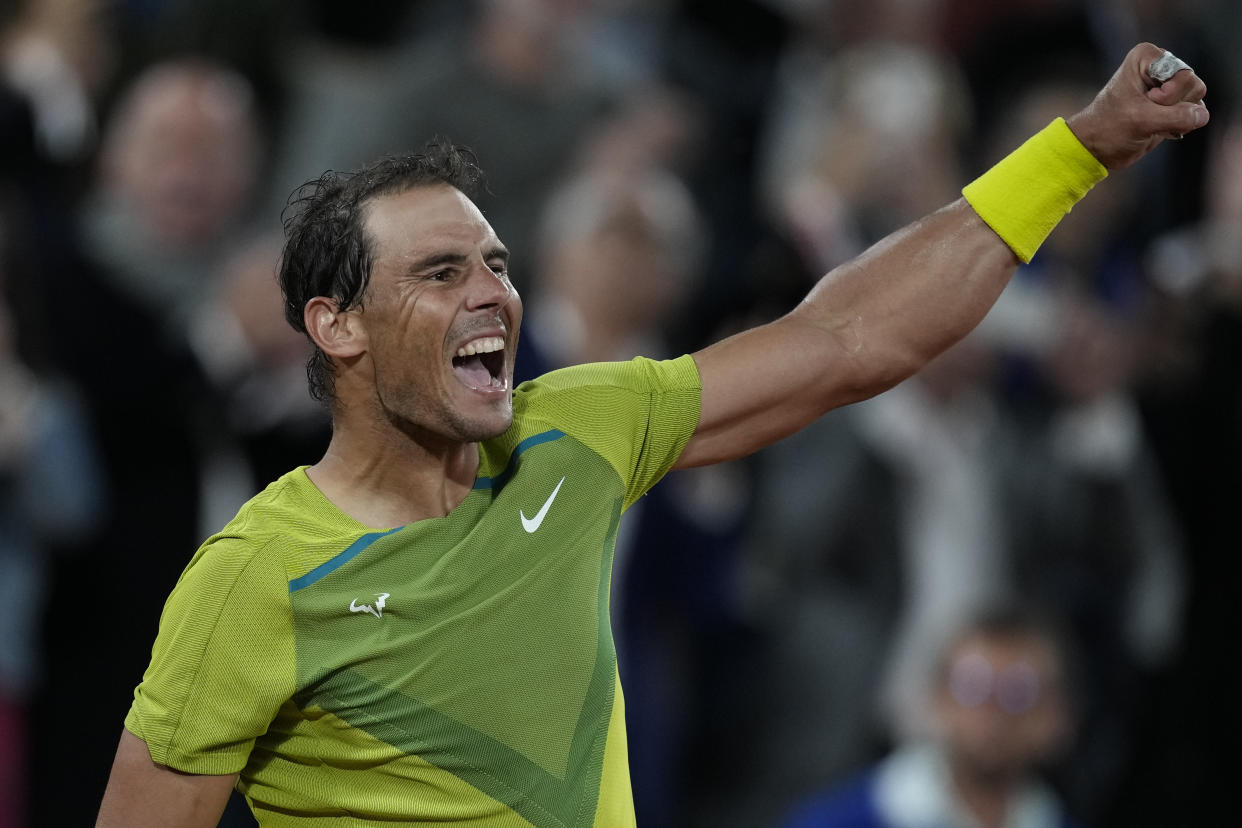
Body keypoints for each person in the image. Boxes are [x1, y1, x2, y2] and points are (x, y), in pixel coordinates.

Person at [94, 43, 1208, 827]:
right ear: (335, 326)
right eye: (440, 273)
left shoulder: (575, 429)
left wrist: (1073, 155)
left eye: (497, 264)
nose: (491, 293)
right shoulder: (254, 582)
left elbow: (852, 336)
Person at [781, 603, 1082, 828]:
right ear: (937, 697)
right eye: (972, 685)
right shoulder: (840, 819)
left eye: (1018, 693)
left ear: (1055, 716)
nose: (992, 709)